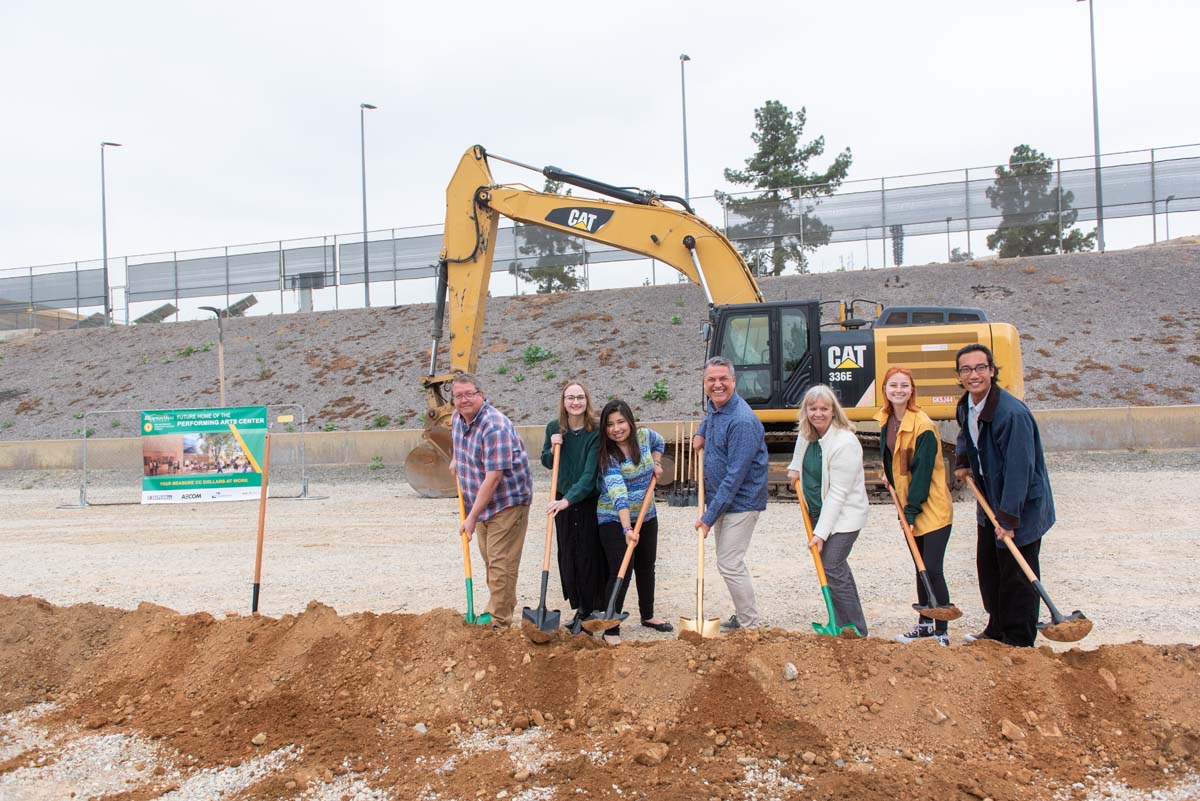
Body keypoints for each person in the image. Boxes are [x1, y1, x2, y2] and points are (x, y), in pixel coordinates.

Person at [954, 343, 1055, 647]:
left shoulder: (1011, 414)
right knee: (990, 568)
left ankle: (1019, 639)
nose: (974, 374)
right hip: (990, 500)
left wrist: (1009, 518)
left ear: (992, 371)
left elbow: (1019, 468)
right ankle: (996, 628)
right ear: (959, 376)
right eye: (966, 369)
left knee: (1017, 575)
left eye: (980, 368)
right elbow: (966, 435)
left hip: (1020, 505)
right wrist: (963, 460)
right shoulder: (966, 405)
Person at [873, 366, 954, 646]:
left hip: (931, 508)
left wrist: (909, 512)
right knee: (919, 567)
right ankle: (924, 624)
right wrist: (889, 474)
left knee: (931, 567)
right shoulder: (885, 420)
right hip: (908, 506)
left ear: (912, 390)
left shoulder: (923, 425)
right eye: (893, 385)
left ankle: (942, 630)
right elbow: (891, 457)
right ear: (884, 389)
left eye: (904, 386)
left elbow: (921, 474)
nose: (898, 390)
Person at [450, 373, 533, 629]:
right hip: (482, 501)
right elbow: (461, 444)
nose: (464, 400)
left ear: (481, 395)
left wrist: (471, 517)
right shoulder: (457, 418)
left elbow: (494, 476)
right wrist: (457, 460)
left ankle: (498, 622)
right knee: (492, 561)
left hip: (506, 502)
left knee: (500, 562)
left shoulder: (494, 425)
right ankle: (502, 605)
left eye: (469, 394)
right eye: (458, 395)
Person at [786, 384, 870, 636]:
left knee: (832, 565)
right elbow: (801, 446)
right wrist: (794, 467)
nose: (818, 413)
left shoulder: (845, 443)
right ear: (806, 411)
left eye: (824, 408)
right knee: (835, 568)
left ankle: (856, 629)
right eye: (813, 409)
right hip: (819, 511)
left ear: (834, 411)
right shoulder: (809, 432)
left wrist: (820, 534)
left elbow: (838, 494)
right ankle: (844, 623)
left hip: (845, 516)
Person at [693, 356, 768, 632]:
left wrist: (707, 517)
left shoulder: (742, 421)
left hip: (741, 502)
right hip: (724, 501)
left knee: (729, 562)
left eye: (723, 379)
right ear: (705, 384)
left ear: (734, 382)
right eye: (711, 380)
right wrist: (701, 433)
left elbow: (734, 478)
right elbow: (710, 417)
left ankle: (750, 625)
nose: (717, 384)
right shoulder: (717, 409)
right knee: (728, 561)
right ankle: (743, 616)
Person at [595, 399, 669, 645]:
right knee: (622, 569)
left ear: (630, 421)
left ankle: (648, 615)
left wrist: (656, 462)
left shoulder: (645, 437)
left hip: (647, 514)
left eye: (620, 422)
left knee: (647, 565)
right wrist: (627, 528)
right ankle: (611, 626)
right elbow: (618, 493)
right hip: (614, 518)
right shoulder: (607, 455)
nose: (616, 428)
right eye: (610, 424)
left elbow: (660, 442)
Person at [542, 380, 606, 635]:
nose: (576, 402)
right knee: (567, 554)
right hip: (562, 501)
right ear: (563, 402)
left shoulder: (595, 431)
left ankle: (590, 610)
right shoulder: (553, 427)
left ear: (587, 401)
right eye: (571, 398)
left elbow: (589, 475)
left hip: (585, 499)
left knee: (587, 553)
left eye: (580, 397)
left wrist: (568, 499)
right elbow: (547, 460)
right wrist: (553, 445)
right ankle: (579, 607)